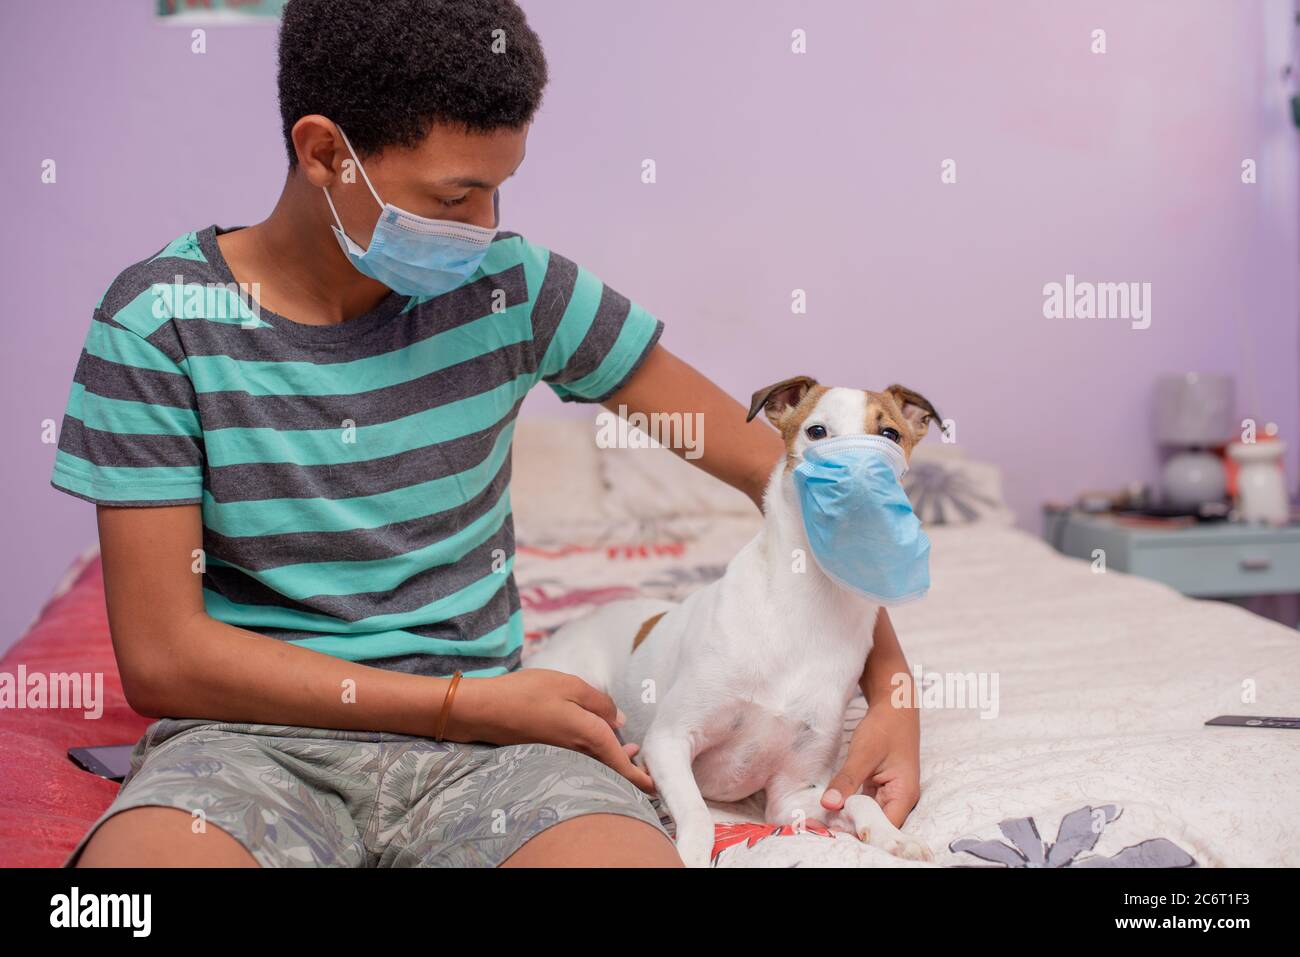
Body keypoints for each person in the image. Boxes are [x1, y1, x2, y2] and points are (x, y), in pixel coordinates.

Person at [52, 0, 919, 868]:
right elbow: (162, 657)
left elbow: (792, 477)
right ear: (324, 154)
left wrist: (891, 685)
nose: (484, 227)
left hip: (496, 756)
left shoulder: (518, 288)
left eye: (500, 189)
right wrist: (460, 703)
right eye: (454, 195)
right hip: (253, 743)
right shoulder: (159, 323)